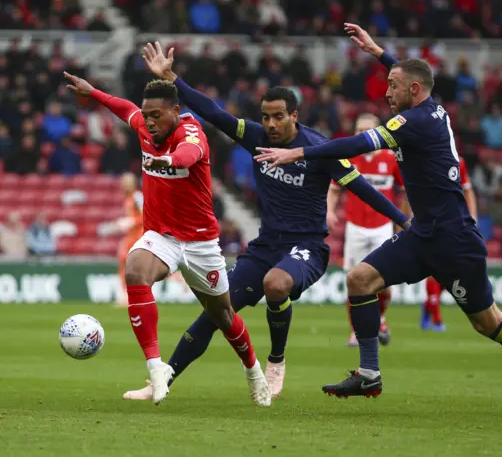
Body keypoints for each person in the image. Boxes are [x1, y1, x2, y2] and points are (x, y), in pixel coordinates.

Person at [254, 23, 502, 411]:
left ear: (411, 91)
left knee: (487, 323)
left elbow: (360, 143)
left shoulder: (415, 122)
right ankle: (369, 374)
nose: (386, 93)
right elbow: (413, 75)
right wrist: (378, 53)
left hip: (454, 239)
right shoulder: (430, 103)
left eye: (392, 86)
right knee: (359, 279)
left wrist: (300, 153)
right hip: (422, 232)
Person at [136, 42, 409, 400]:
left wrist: (404, 221)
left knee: (276, 285)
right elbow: (213, 113)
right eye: (266, 117)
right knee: (217, 312)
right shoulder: (256, 138)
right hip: (266, 246)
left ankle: (276, 360)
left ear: (294, 115)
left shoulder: (318, 148)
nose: (271, 124)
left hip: (308, 247)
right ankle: (162, 381)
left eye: (279, 116)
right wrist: (173, 78)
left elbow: (361, 187)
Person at [63, 71, 270, 407]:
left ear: (176, 111)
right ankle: (156, 367)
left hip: (200, 243)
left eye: (157, 115)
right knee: (135, 269)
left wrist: (168, 160)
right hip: (161, 236)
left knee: (224, 316)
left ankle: (253, 370)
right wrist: (94, 92)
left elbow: (189, 153)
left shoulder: (192, 132)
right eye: (147, 116)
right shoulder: (145, 125)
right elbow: (124, 108)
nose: (150, 122)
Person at [326, 113, 403, 347]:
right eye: (358, 130)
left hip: (382, 227)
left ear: (377, 132)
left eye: (367, 130)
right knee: (354, 282)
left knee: (383, 283)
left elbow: (406, 190)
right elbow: (334, 189)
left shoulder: (391, 159)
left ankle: (380, 319)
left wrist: (404, 218)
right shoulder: (349, 159)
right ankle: (356, 332)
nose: (361, 135)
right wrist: (329, 211)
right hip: (355, 228)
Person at [419, 156, 477, 331]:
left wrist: (473, 216)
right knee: (432, 270)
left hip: (455, 224)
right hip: (430, 223)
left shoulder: (459, 162)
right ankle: (437, 319)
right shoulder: (422, 159)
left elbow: (468, 190)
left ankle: (428, 305)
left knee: (452, 273)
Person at [99, 173, 144, 307]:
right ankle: (126, 295)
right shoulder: (128, 198)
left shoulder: (137, 197)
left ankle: (131, 296)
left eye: (126, 182)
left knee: (133, 267)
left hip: (138, 236)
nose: (124, 185)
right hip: (130, 236)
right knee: (123, 265)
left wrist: (131, 221)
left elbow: (147, 216)